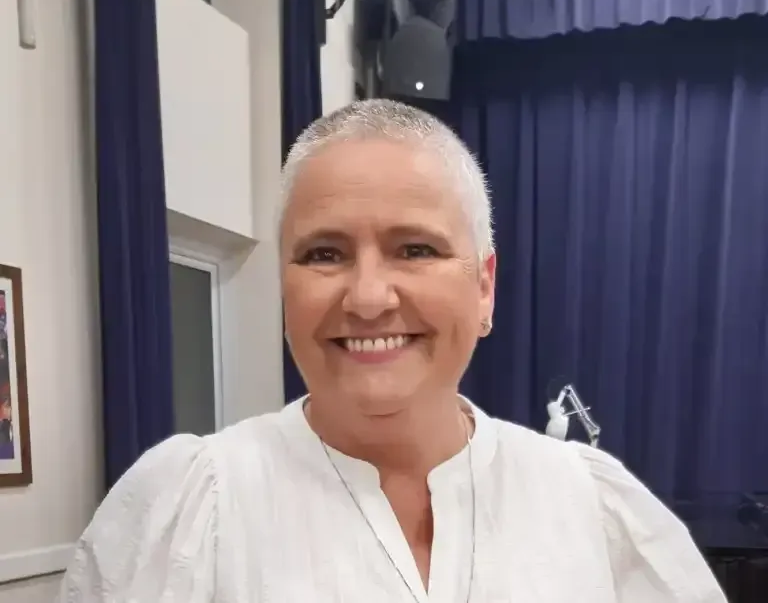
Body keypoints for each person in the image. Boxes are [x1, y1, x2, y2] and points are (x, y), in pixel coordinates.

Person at [58, 100, 725, 602]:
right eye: (325, 253)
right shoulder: (193, 509)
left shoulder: (591, 506)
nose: (369, 296)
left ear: (484, 286)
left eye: (416, 249)